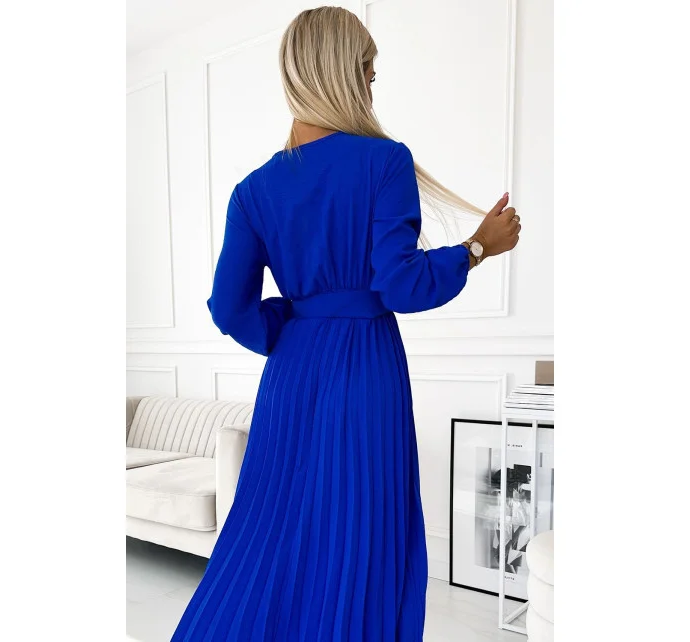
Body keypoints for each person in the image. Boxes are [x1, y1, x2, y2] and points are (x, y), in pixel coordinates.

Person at [170, 6, 520, 641]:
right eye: (368, 73)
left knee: (272, 529)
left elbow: (229, 308)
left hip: (292, 372)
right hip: (365, 368)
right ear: (342, 73)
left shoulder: (253, 190)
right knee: (363, 530)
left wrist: (290, 324)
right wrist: (476, 248)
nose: (370, 88)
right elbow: (401, 285)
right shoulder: (384, 161)